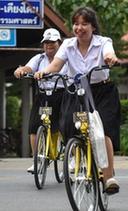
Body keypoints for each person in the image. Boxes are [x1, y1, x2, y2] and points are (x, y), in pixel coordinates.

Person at [34, 7, 120, 194]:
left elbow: (108, 54)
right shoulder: (68, 45)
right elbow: (56, 65)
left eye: (84, 24)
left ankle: (108, 176)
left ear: (93, 27)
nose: (79, 27)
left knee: (102, 130)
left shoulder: (103, 42)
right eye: (76, 24)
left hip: (101, 91)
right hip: (77, 91)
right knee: (68, 126)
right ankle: (77, 156)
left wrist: (111, 58)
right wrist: (44, 72)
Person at [13, 28, 68, 173]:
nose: (49, 45)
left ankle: (70, 156)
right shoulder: (40, 58)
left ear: (59, 43)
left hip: (61, 95)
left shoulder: (65, 58)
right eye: (46, 42)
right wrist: (21, 71)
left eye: (52, 42)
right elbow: (28, 67)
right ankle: (37, 160)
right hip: (43, 95)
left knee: (65, 124)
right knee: (34, 126)